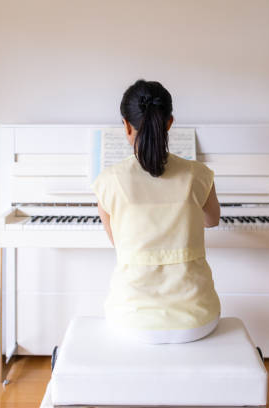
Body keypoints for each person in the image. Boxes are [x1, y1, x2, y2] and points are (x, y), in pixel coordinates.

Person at [90, 79, 221, 344]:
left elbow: (121, 242)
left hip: (131, 319)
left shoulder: (107, 181)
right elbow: (212, 220)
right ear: (170, 122)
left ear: (126, 126)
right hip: (196, 318)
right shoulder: (199, 175)